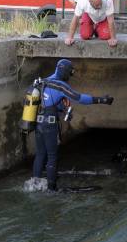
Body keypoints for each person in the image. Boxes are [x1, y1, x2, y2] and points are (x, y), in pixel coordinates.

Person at [33, 59, 114, 191]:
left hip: (38, 122)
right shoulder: (60, 86)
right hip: (50, 124)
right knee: (52, 156)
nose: (69, 77)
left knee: (40, 154)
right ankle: (51, 189)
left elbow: (48, 102)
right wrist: (101, 99)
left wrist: (63, 109)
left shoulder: (42, 81)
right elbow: (80, 98)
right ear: (65, 72)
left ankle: (34, 184)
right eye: (69, 74)